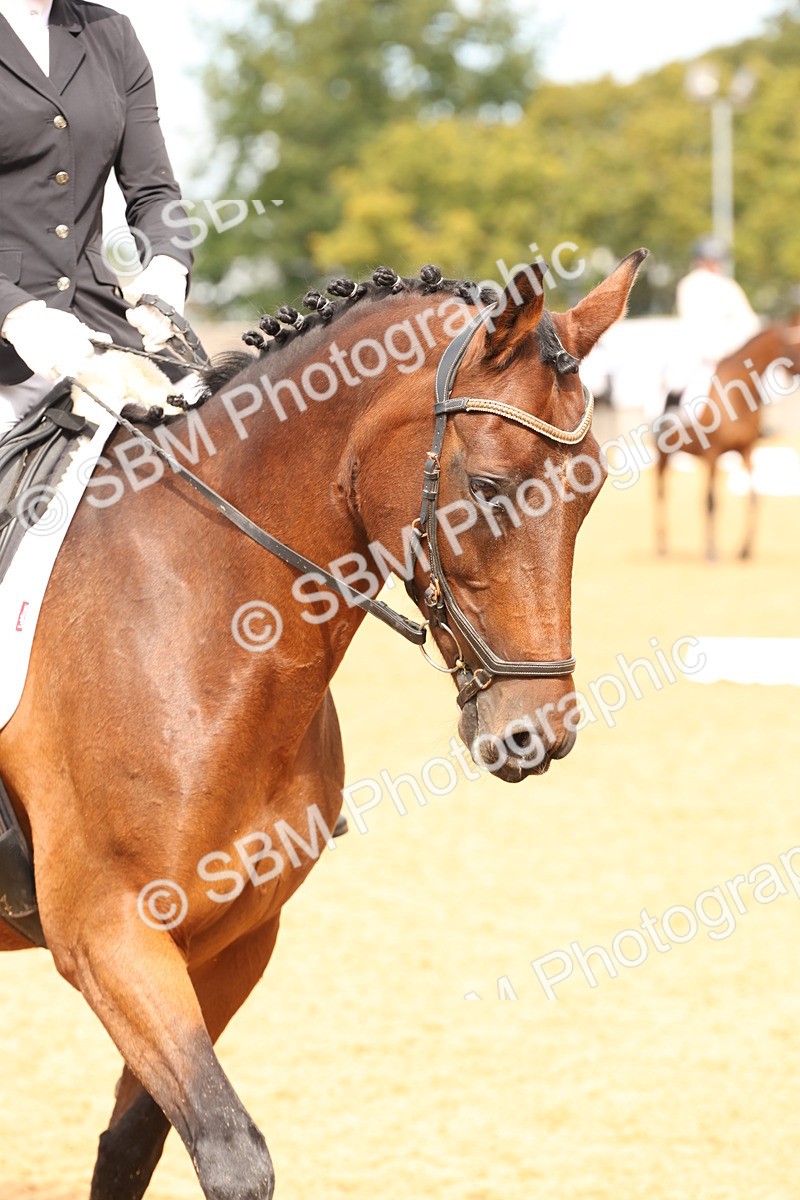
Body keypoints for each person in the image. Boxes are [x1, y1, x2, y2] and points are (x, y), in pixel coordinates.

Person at [0, 0, 193, 442]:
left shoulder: (110, 32)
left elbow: (154, 190)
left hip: (98, 322)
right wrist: (13, 314)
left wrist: (168, 266)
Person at [662, 235, 761, 412]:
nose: (717, 264)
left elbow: (748, 320)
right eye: (713, 260)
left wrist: (738, 344)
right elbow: (694, 322)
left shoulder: (728, 285)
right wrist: (713, 348)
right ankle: (671, 414)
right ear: (702, 260)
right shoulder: (690, 284)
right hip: (700, 348)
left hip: (731, 347)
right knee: (678, 378)